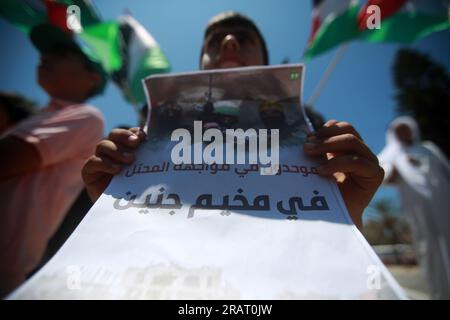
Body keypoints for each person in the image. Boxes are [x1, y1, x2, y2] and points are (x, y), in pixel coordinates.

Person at [82, 11, 383, 231]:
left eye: (243, 39)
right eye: (213, 42)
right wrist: (112, 203)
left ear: (265, 61)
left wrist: (346, 209)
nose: (228, 43)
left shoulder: (311, 130)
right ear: (201, 62)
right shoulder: (153, 130)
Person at [0, 23, 107, 297]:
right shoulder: (39, 118)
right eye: (47, 51)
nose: (46, 56)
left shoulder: (86, 116)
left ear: (92, 77)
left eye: (61, 53)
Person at [378, 116, 450, 299]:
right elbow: (382, 175)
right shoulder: (392, 154)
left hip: (444, 201)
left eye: (407, 129)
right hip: (418, 210)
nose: (405, 133)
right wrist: (396, 166)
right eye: (400, 130)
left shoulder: (428, 148)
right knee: (429, 249)